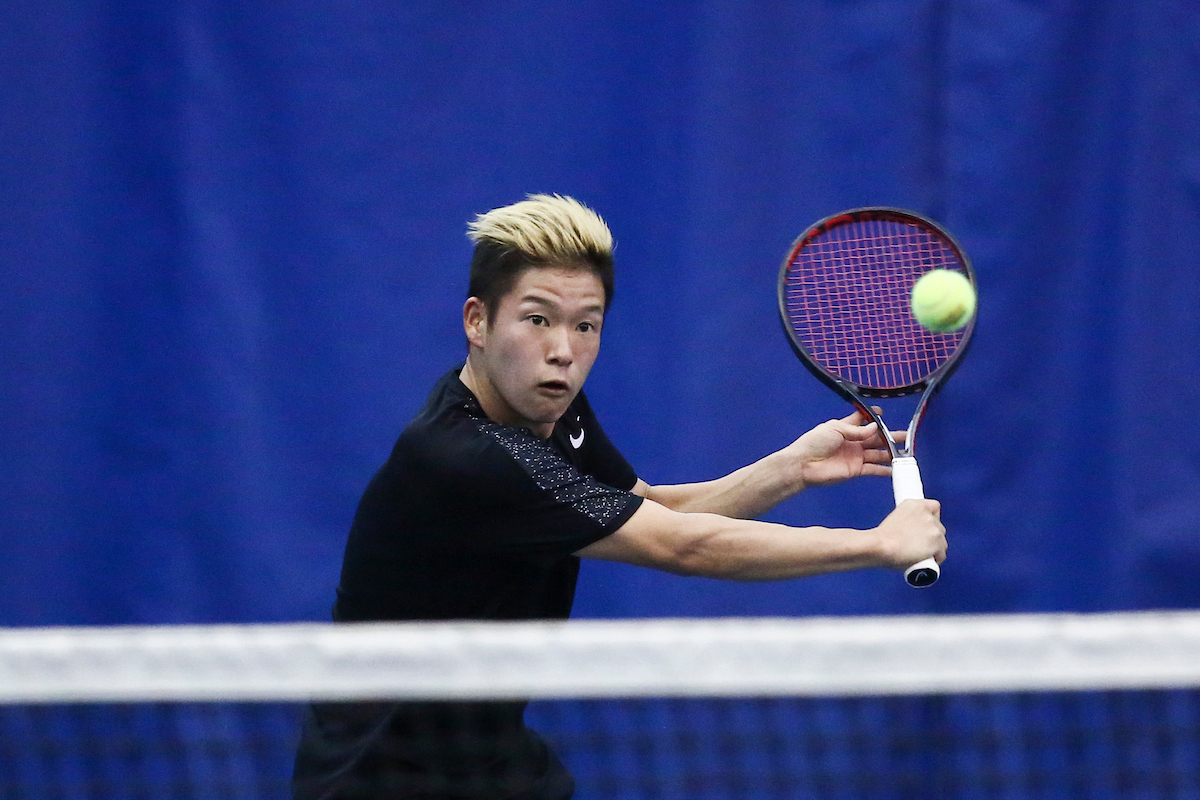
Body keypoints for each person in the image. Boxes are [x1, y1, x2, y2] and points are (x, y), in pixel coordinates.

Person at [292, 194, 946, 800]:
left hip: (492, 762)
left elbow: (657, 508)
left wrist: (788, 470)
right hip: (381, 783)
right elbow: (682, 546)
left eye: (586, 326)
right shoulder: (464, 458)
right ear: (477, 322)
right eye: (537, 319)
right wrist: (876, 545)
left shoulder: (552, 411)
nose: (562, 352)